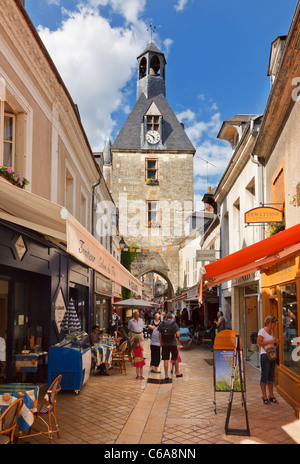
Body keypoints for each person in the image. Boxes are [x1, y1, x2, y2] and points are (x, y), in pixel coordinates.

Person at [257, 315, 280, 405]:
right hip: (265, 356)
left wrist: (275, 342)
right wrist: (272, 341)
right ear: (271, 322)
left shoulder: (271, 331)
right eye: (275, 323)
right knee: (264, 376)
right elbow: (259, 343)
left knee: (271, 376)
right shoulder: (262, 331)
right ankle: (264, 396)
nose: (275, 325)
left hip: (272, 355)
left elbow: (271, 343)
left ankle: (271, 395)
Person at [158, 312, 182, 381]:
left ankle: (166, 375)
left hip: (164, 344)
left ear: (166, 317)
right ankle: (177, 372)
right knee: (175, 358)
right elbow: (178, 335)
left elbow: (159, 334)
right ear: (172, 317)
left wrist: (160, 343)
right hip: (173, 343)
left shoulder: (162, 324)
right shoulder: (174, 324)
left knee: (166, 359)